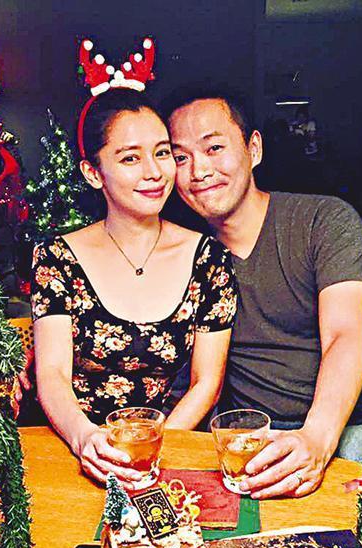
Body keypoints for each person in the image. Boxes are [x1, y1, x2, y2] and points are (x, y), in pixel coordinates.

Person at [165, 88, 362, 500]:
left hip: (346, 425)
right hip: (247, 436)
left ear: (253, 149)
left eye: (214, 148)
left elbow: (344, 334)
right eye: (181, 158)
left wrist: (316, 438)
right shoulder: (186, 251)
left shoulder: (324, 221)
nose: (199, 170)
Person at [31, 90, 238, 487]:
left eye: (162, 153)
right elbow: (52, 374)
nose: (154, 172)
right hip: (74, 449)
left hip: (165, 453)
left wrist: (151, 452)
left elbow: (206, 383)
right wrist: (85, 439)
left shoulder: (209, 258)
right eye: (130, 158)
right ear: (93, 173)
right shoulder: (56, 257)